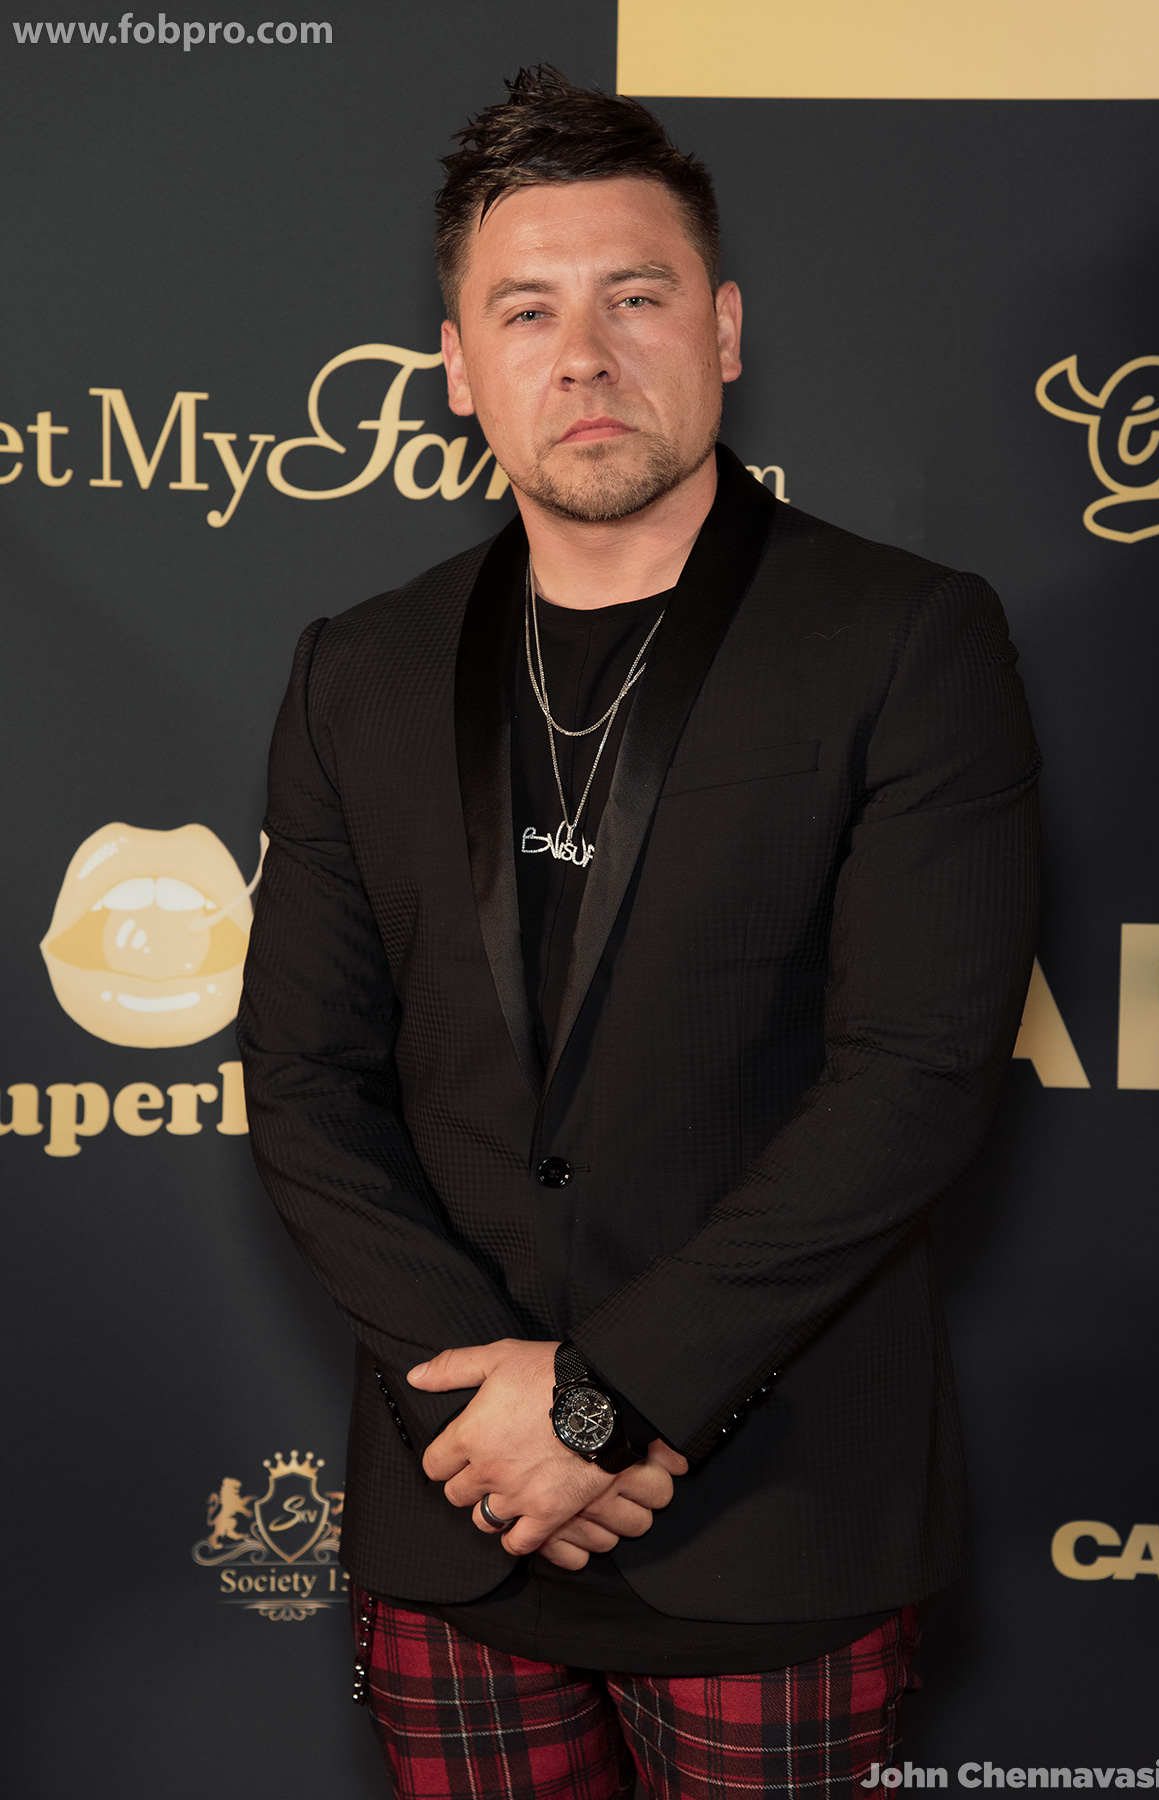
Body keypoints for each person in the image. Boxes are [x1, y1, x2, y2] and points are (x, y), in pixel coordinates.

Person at [238, 65, 1040, 1799]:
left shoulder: (907, 639)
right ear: (458, 367)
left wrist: (606, 1407)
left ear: (724, 330)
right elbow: (301, 1083)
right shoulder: (357, 670)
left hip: (777, 1516)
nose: (585, 357)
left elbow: (914, 1077)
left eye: (638, 297)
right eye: (526, 310)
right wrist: (491, 1424)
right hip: (461, 1517)